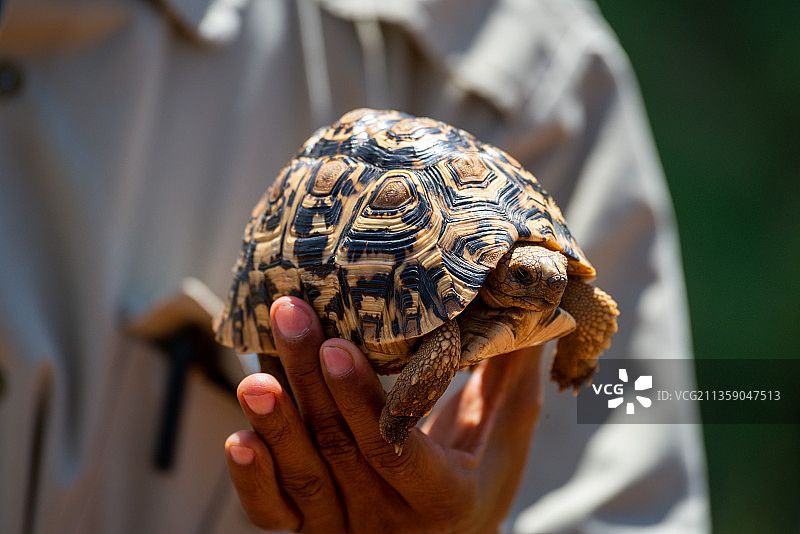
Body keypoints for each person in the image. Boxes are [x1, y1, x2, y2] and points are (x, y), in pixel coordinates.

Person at [0, 0, 709, 532]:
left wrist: (582, 355)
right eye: (526, 277)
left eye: (543, 273)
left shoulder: (540, 77)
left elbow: (637, 468)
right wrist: (396, 427)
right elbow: (444, 345)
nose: (548, 284)